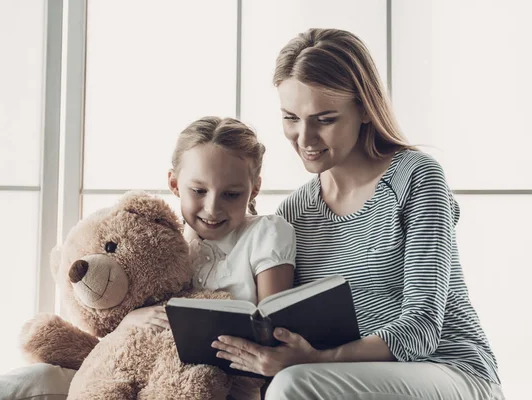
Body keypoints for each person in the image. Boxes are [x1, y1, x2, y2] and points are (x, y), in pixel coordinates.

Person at [210, 28, 505, 400]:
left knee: (293, 383)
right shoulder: (293, 213)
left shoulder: (415, 177)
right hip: (342, 377)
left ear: (365, 109)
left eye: (325, 119)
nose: (305, 138)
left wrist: (318, 359)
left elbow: (422, 327)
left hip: (450, 369)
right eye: (290, 117)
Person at [121, 116, 296, 399]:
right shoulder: (163, 245)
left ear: (255, 188)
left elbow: (272, 330)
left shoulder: (266, 233)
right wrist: (131, 319)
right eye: (199, 191)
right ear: (174, 183)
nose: (213, 209)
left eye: (231, 194)